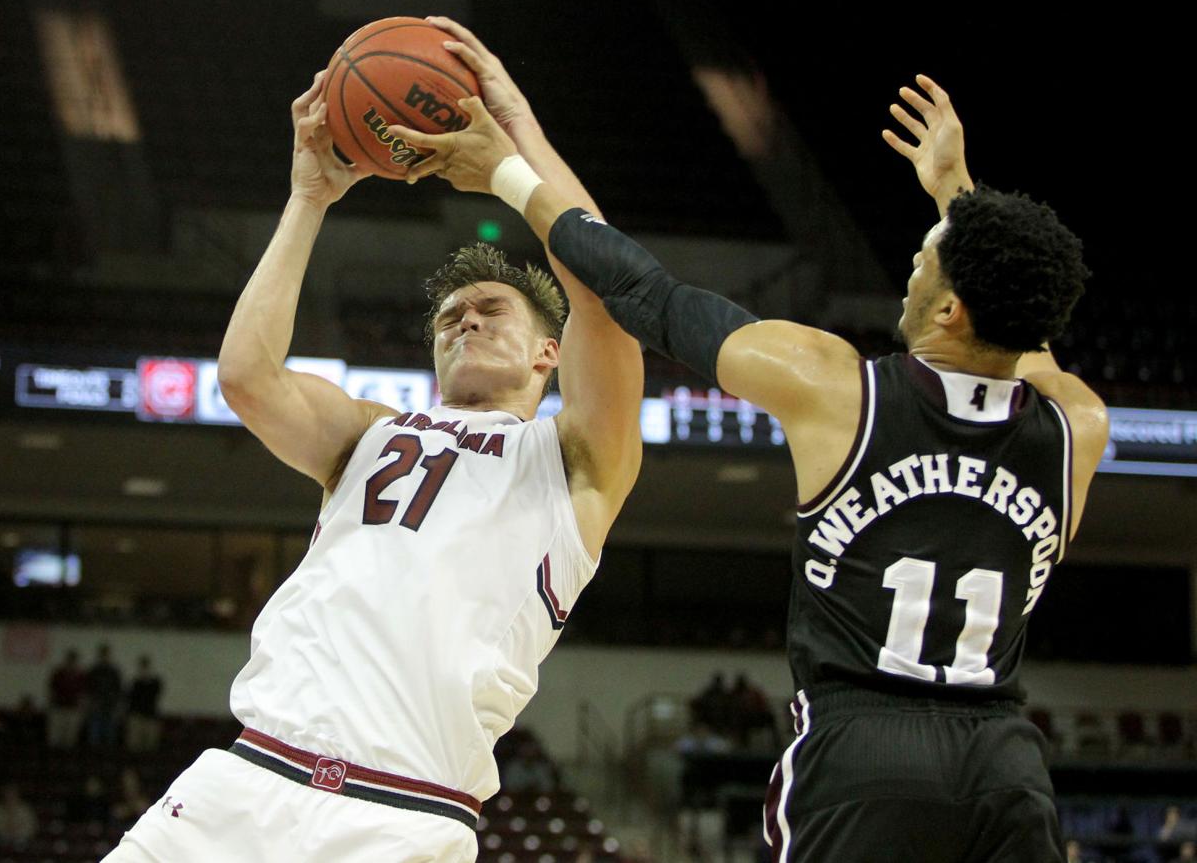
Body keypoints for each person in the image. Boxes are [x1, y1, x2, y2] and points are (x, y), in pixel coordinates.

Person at [393, 49, 1108, 862]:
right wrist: (955, 192)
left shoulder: (838, 389)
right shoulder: (1077, 427)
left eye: (929, 258)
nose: (915, 259)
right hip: (1006, 764)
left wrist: (508, 177)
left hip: (864, 748)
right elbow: (1023, 327)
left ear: (947, 306)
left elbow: (648, 297)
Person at [105, 20, 643, 863]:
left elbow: (606, 288)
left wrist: (516, 137)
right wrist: (308, 197)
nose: (464, 320)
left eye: (490, 310)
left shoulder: (575, 460)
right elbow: (248, 376)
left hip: (401, 813)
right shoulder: (369, 432)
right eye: (449, 318)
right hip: (245, 781)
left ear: (550, 351)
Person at [46, 647, 85, 749]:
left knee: (70, 735)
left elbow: (82, 692)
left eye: (73, 660)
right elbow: (52, 689)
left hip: (73, 707)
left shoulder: (80, 675)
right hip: (59, 706)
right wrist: (51, 703)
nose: (71, 662)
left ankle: (68, 758)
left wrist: (81, 705)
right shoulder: (58, 673)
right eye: (70, 659)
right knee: (56, 734)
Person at [86, 644, 124, 748]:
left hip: (110, 706)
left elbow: (119, 690)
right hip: (96, 706)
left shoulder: (114, 672)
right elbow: (88, 689)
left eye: (106, 655)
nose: (105, 657)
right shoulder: (94, 671)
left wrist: (117, 706)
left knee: (110, 735)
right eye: (103, 655)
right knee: (94, 736)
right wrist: (91, 703)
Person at [125, 655, 163, 754]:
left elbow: (156, 695)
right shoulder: (135, 683)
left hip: (150, 715)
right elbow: (130, 697)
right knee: (134, 744)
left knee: (150, 744)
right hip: (137, 715)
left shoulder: (155, 682)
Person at [0, 783, 37, 850]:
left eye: (12, 794)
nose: (10, 797)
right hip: (3, 840)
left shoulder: (25, 809)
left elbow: (32, 826)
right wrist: (6, 830)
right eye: (8, 794)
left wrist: (18, 831)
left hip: (22, 841)